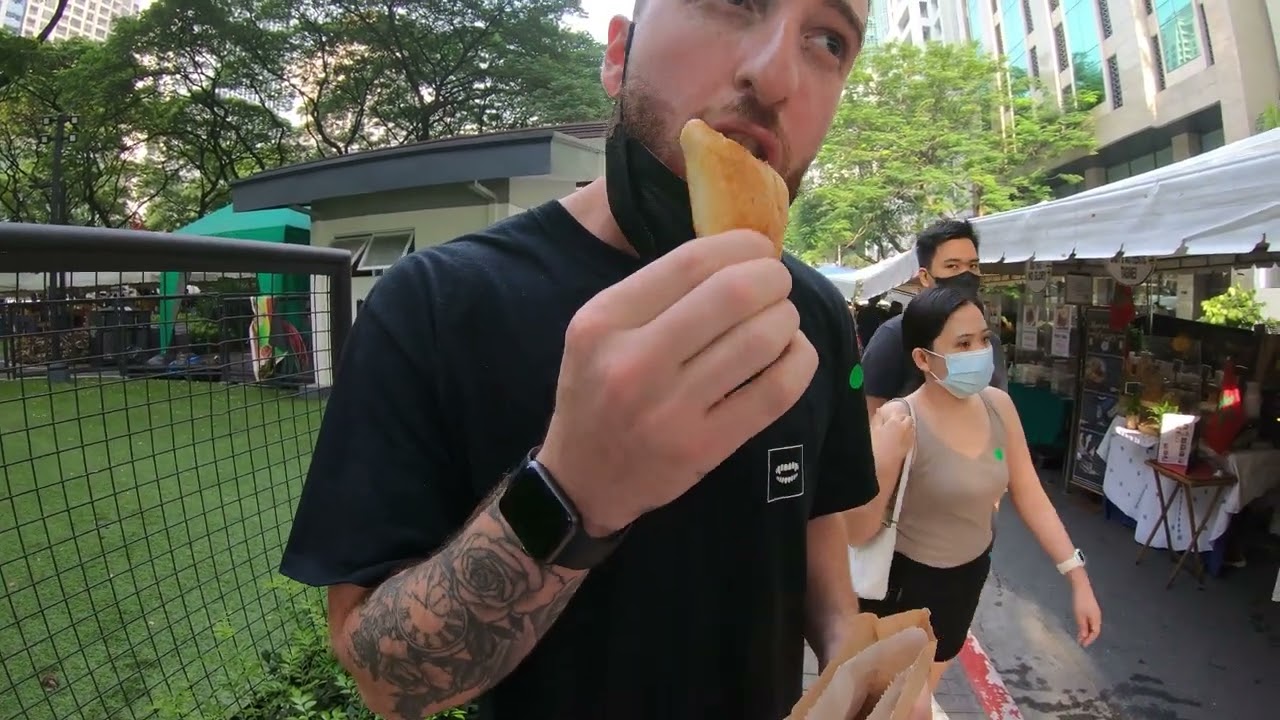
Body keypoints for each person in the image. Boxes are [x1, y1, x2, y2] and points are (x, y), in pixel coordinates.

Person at [278, 2, 894, 720]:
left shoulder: (813, 310)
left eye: (828, 40)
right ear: (617, 56)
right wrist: (574, 490)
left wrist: (854, 655)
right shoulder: (437, 303)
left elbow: (814, 529)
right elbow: (385, 681)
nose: (777, 74)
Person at [845, 287, 1103, 712]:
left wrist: (1078, 578)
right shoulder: (899, 418)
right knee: (904, 706)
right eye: (963, 344)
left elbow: (1030, 493)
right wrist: (886, 457)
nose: (980, 352)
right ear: (923, 360)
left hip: (963, 582)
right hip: (903, 587)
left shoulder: (999, 406)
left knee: (918, 691)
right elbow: (857, 531)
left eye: (984, 340)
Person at [861, 219, 1007, 417]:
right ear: (925, 277)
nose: (966, 275)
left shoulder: (990, 343)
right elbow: (869, 417)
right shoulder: (894, 336)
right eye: (953, 266)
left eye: (973, 265)